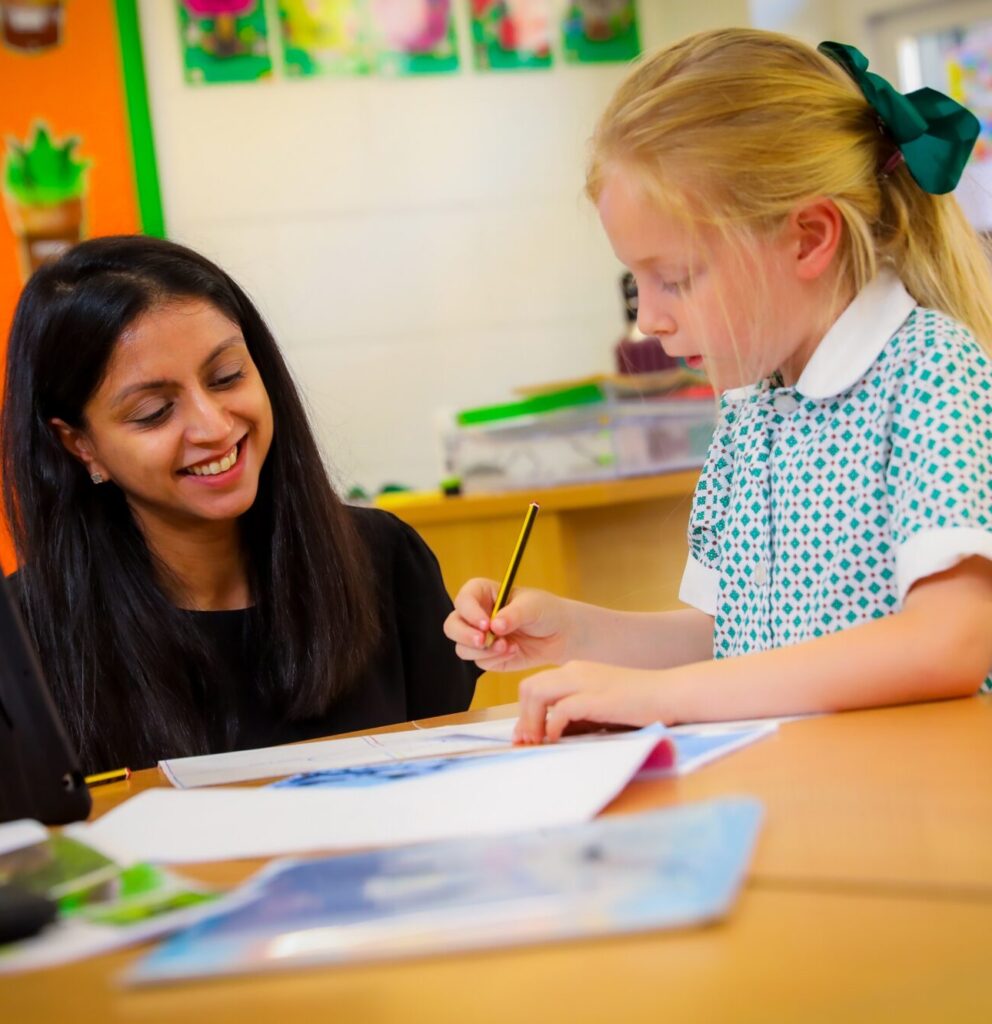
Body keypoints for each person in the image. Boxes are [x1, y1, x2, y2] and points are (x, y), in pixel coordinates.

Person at [444, 29, 992, 743]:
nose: (649, 321)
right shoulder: (753, 411)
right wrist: (574, 632)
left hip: (914, 805)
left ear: (807, 238)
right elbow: (730, 641)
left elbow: (949, 643)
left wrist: (667, 698)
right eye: (636, 281)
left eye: (674, 279)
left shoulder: (929, 374)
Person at [1, 235, 476, 773]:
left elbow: (447, 782)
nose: (214, 426)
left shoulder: (387, 562)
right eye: (155, 411)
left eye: (227, 377)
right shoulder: (22, 645)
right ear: (80, 444)